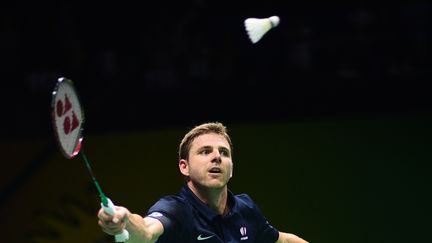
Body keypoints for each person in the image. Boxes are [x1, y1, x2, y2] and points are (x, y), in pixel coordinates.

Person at [98, 122, 308, 243]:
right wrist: (124, 222)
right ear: (184, 166)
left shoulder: (246, 209)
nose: (216, 157)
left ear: (231, 168)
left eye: (223, 153)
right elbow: (147, 231)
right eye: (205, 151)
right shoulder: (176, 210)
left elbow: (282, 240)